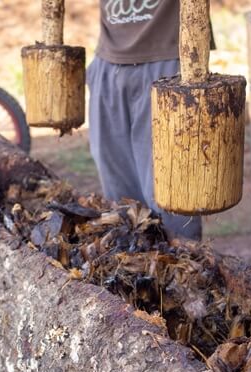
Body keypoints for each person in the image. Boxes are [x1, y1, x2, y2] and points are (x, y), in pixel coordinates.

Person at [87, 0, 202, 240]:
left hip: (167, 62)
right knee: (120, 201)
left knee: (172, 198)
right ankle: (134, 271)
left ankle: (184, 273)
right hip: (109, 61)